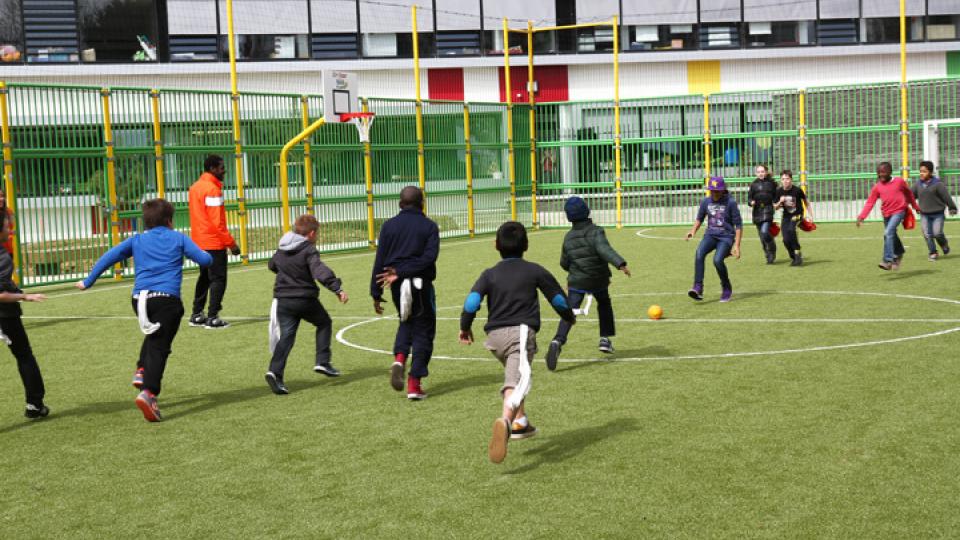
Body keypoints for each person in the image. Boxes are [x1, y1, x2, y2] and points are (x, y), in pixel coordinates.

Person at [77, 199, 213, 422]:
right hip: (166, 300)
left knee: (154, 334)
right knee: (161, 346)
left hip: (139, 300)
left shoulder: (137, 239)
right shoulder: (178, 237)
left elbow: (109, 256)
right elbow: (204, 260)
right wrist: (204, 251)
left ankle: (141, 370)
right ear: (170, 221)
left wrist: (88, 281)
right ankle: (149, 392)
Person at [458, 222, 576, 464]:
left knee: (516, 372)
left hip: (494, 338)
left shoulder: (488, 274)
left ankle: (521, 422)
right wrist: (568, 317)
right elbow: (558, 300)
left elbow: (471, 302)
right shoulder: (535, 271)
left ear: (496, 245)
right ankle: (506, 421)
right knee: (518, 380)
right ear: (526, 245)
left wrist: (465, 326)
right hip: (519, 334)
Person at [265, 214, 348, 395]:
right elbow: (319, 270)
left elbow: (272, 265)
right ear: (311, 233)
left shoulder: (282, 248)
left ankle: (274, 372)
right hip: (304, 299)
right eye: (316, 234)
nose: (317, 237)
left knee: (286, 337)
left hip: (283, 300)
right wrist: (337, 289)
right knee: (324, 322)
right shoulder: (308, 250)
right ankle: (322, 361)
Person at [544, 196, 630, 370]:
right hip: (598, 278)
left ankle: (557, 340)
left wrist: (574, 271)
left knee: (569, 311)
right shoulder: (596, 231)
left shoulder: (568, 238)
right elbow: (604, 250)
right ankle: (605, 339)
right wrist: (620, 264)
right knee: (604, 303)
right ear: (587, 211)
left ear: (568, 217)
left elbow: (564, 263)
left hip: (577, 281)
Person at [371, 186, 439, 400]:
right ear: (422, 203)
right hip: (420, 284)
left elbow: (380, 260)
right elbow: (429, 258)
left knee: (405, 321)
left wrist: (375, 291)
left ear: (400, 203)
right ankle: (414, 384)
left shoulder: (389, 226)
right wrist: (402, 271)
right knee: (424, 331)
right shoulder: (429, 226)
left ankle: (399, 359)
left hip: (396, 285)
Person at [0, 211, 49, 419]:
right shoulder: (2, 257)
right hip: (4, 315)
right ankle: (34, 405)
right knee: (24, 355)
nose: (9, 229)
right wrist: (25, 297)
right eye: (5, 226)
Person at [188, 155, 240, 329]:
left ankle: (196, 314)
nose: (224, 171)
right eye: (221, 167)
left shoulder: (195, 188)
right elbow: (218, 223)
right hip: (213, 242)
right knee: (218, 279)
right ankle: (212, 317)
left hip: (198, 242)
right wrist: (232, 244)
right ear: (212, 168)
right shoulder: (213, 190)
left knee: (204, 277)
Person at [685, 177, 743, 302]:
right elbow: (700, 218)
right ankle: (698, 287)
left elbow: (738, 225)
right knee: (699, 254)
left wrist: (737, 246)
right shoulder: (706, 202)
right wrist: (693, 231)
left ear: (723, 190)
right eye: (712, 191)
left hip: (726, 237)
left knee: (717, 260)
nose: (714, 193)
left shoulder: (731, 203)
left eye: (717, 191)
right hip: (710, 235)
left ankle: (726, 287)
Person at [857, 162, 919, 270]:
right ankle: (899, 252)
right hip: (886, 214)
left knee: (888, 232)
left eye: (883, 172)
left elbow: (909, 193)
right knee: (892, 234)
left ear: (890, 172)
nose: (881, 175)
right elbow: (870, 202)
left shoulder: (899, 181)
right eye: (879, 172)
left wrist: (915, 207)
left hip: (899, 211)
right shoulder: (877, 187)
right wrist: (862, 217)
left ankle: (887, 260)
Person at [912, 160, 957, 261]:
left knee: (937, 233)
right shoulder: (918, 184)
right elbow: (910, 197)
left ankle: (944, 244)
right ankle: (933, 252)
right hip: (924, 214)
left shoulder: (938, 184)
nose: (921, 173)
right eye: (920, 171)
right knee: (927, 234)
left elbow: (946, 197)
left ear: (930, 172)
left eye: (924, 171)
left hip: (938, 214)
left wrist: (952, 207)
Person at [773, 170, 813, 267]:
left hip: (797, 214)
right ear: (781, 180)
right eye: (783, 179)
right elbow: (775, 207)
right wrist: (780, 202)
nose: (785, 181)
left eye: (787, 179)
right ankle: (794, 257)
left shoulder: (797, 190)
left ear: (791, 179)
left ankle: (797, 252)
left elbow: (806, 202)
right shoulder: (779, 191)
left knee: (791, 230)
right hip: (786, 216)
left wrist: (811, 215)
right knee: (785, 240)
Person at [747, 164, 778, 264]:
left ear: (765, 172)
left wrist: (776, 202)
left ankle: (772, 248)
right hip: (757, 211)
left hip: (768, 210)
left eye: (762, 171)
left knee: (765, 231)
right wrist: (751, 202)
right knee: (761, 236)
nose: (760, 173)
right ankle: (768, 253)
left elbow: (776, 196)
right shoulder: (753, 184)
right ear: (756, 173)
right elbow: (749, 198)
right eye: (758, 172)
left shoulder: (771, 184)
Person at [0, 189, 15, 256]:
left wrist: (11, 215)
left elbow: (12, 225)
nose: (1, 198)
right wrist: (10, 232)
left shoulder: (8, 211)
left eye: (2, 196)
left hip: (8, 249)